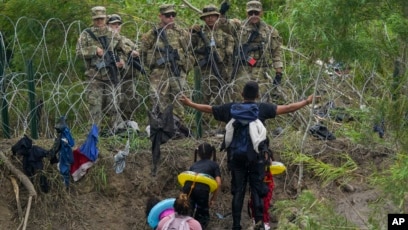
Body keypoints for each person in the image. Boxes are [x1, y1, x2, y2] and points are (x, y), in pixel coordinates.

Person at [179, 81, 317, 230]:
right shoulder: (262, 108)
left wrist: (190, 103)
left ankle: (236, 225)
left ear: (241, 94)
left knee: (238, 192)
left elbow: (209, 109)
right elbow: (288, 108)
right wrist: (307, 101)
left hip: (236, 159)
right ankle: (259, 224)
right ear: (257, 95)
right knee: (256, 191)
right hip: (256, 158)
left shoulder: (231, 108)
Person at [76, 6, 132, 129]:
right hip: (94, 76)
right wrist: (94, 50)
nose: (99, 22)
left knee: (114, 105)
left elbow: (123, 50)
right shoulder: (86, 34)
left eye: (101, 19)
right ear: (93, 19)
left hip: (112, 75)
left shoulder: (113, 34)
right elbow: (79, 52)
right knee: (95, 106)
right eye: (97, 19)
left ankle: (114, 131)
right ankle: (94, 134)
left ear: (105, 18)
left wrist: (122, 61)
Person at [219, 1, 284, 102]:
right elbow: (223, 25)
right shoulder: (239, 27)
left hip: (261, 72)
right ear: (246, 13)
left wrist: (278, 74)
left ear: (261, 13)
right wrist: (222, 14)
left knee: (260, 102)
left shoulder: (270, 31)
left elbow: (276, 53)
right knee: (240, 100)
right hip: (242, 70)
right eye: (250, 13)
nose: (253, 15)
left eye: (256, 13)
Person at [140, 4, 193, 120]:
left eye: (173, 15)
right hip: (159, 71)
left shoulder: (182, 33)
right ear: (160, 16)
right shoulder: (152, 34)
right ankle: (160, 123)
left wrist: (185, 68)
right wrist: (152, 65)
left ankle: (177, 125)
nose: (171, 18)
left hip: (177, 70)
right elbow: (142, 52)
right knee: (157, 97)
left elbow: (190, 52)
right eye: (167, 15)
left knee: (178, 98)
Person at [190, 5, 235, 131]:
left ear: (217, 17)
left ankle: (223, 126)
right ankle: (201, 126)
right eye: (207, 17)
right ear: (204, 19)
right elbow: (188, 48)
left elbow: (229, 56)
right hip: (204, 72)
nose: (210, 19)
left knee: (222, 99)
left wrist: (228, 72)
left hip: (220, 71)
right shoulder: (197, 34)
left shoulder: (226, 36)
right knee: (203, 97)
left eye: (213, 16)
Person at [106, 14, 142, 121]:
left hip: (128, 77)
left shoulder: (125, 41)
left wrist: (134, 54)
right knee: (114, 101)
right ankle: (115, 125)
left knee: (130, 101)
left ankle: (128, 123)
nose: (116, 27)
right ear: (108, 25)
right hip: (111, 78)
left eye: (118, 24)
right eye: (113, 25)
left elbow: (138, 51)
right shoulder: (105, 41)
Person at [182, 142, 222, 229]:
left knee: (187, 212)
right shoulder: (214, 164)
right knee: (202, 215)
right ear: (211, 153)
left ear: (199, 154)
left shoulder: (194, 165)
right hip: (201, 189)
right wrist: (213, 199)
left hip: (187, 187)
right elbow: (218, 183)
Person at [249, 157, 275, 230]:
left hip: (266, 183)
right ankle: (256, 219)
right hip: (257, 180)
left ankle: (265, 221)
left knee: (265, 203)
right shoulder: (254, 157)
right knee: (254, 202)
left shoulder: (266, 154)